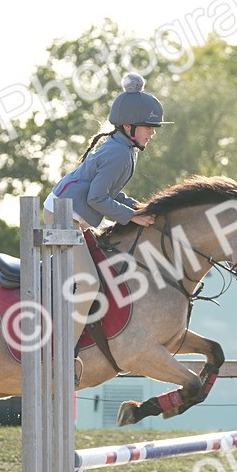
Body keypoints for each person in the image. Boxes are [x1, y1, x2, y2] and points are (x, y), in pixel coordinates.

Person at [44, 72, 163, 332]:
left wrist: (137, 207)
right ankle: (64, 352)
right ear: (129, 127)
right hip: (63, 218)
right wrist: (131, 217)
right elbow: (97, 198)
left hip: (73, 216)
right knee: (90, 283)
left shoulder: (125, 149)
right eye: (148, 126)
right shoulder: (119, 153)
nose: (153, 132)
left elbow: (110, 193)